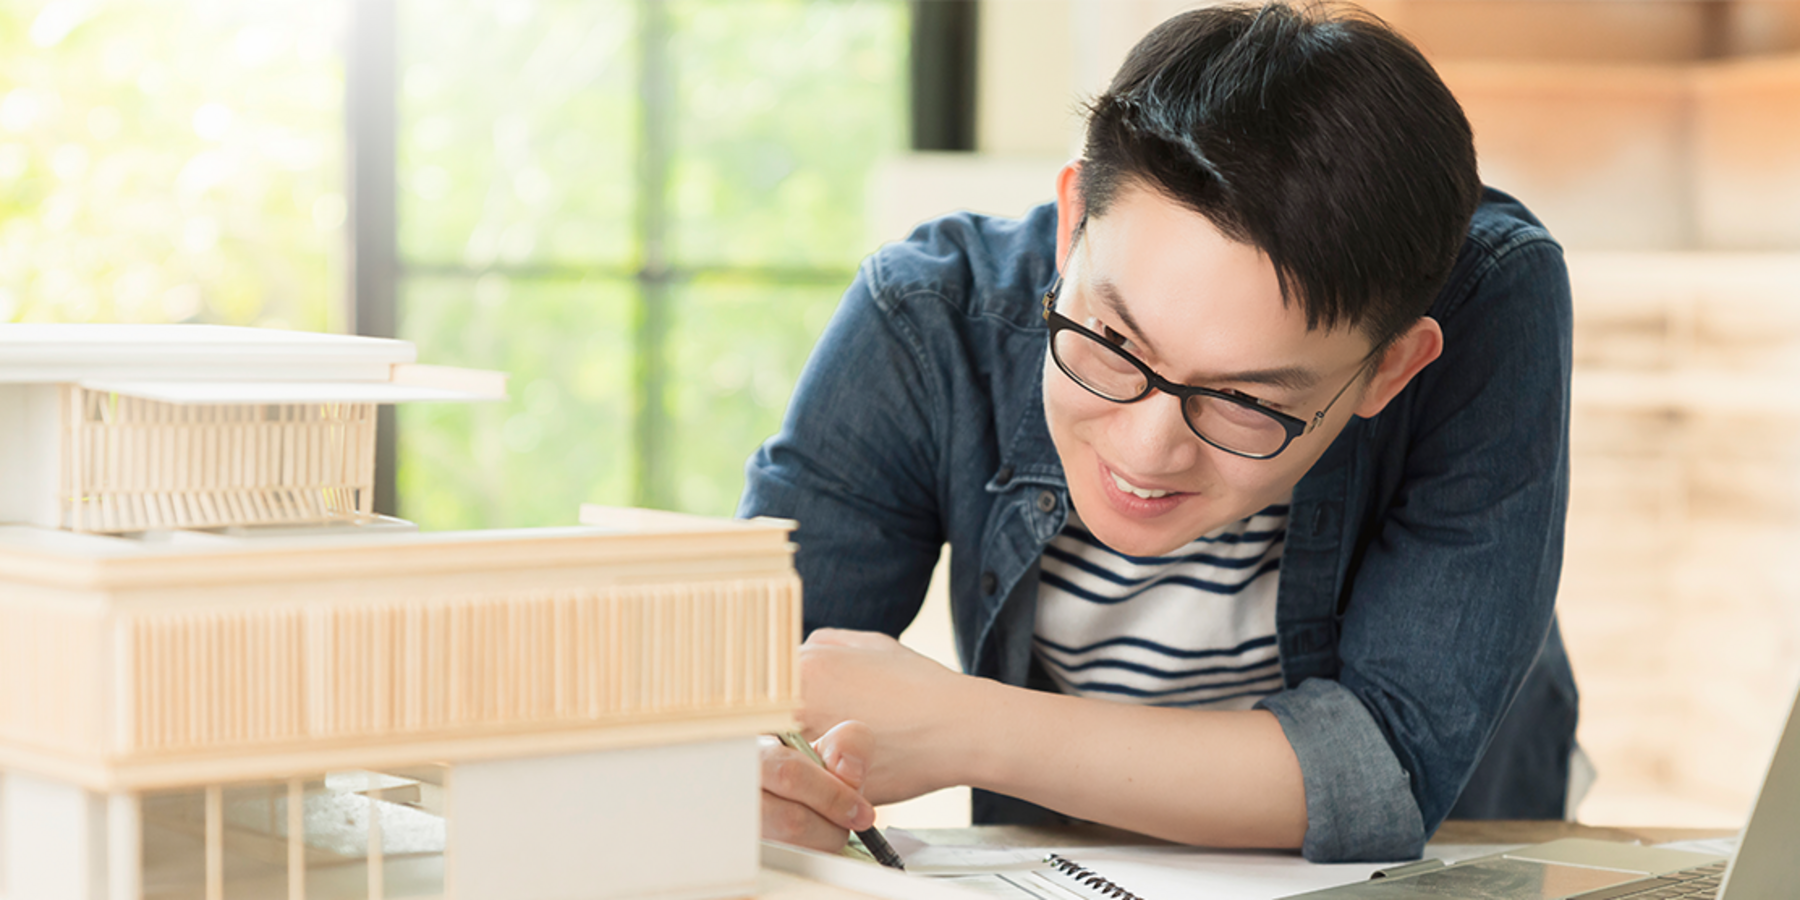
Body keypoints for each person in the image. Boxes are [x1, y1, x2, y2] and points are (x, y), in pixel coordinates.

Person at [740, 0, 1578, 863]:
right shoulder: (928, 318)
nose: (1147, 453)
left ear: (1391, 369)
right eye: (1112, 344)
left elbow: (1390, 767)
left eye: (1246, 402)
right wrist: (759, 786)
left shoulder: (1487, 301)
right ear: (1072, 224)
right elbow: (745, 708)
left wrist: (964, 728)